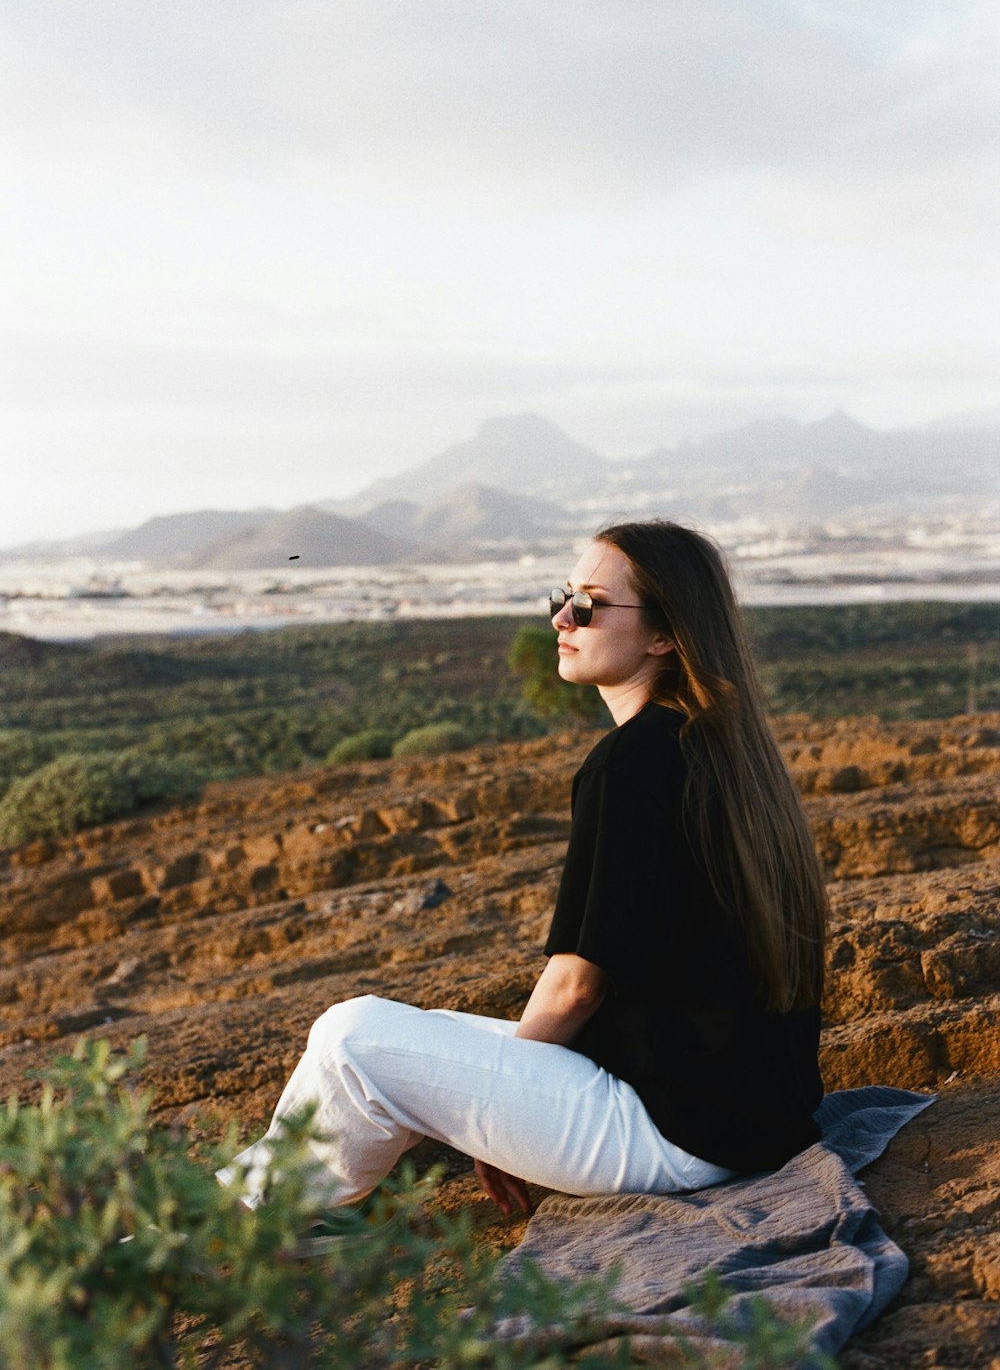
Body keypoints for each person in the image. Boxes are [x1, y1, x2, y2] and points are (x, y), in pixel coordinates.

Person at [220, 520, 827, 1221]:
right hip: (749, 1120)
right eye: (560, 597)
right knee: (415, 1033)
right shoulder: (720, 749)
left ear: (666, 635)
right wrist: (498, 1094)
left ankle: (218, 1233)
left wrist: (500, 1114)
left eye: (590, 604)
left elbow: (575, 987)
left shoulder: (632, 765)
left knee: (351, 1038)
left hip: (678, 1136)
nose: (563, 619)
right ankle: (273, 1210)